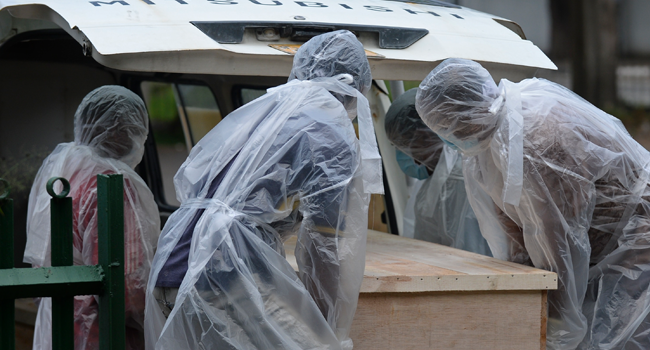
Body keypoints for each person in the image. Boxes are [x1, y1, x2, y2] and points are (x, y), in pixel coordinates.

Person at [144, 30, 383, 350]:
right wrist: (327, 327)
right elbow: (324, 248)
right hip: (225, 270)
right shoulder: (330, 133)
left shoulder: (267, 111)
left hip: (174, 260)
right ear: (356, 89)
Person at [416, 58, 650, 350]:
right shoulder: (486, 144)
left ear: (468, 115)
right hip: (598, 248)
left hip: (635, 240)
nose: (448, 138)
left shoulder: (536, 138)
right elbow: (512, 224)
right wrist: (523, 287)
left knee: (619, 336)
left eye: (448, 127)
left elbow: (560, 238)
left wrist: (556, 320)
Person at [24, 86, 161, 350]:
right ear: (123, 131)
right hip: (98, 332)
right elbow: (127, 289)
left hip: (56, 320)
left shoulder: (62, 166)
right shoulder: (111, 185)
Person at [384, 88, 490, 255]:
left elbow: (471, 251)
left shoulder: (458, 182)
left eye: (404, 147)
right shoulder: (439, 176)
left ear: (424, 136)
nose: (408, 157)